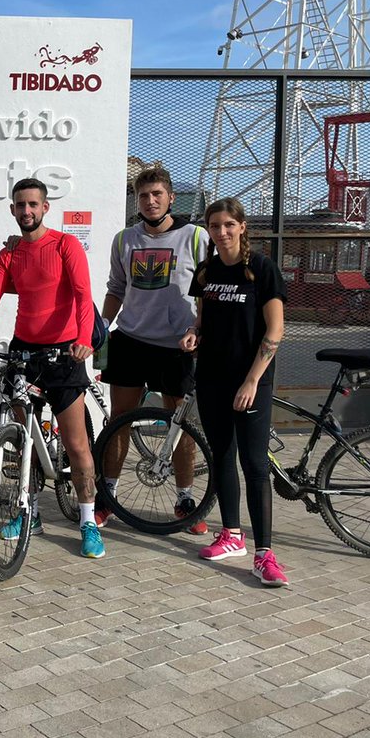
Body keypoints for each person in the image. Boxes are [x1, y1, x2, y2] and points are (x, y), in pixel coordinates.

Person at [0, 177, 105, 559]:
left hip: (65, 354)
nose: (27, 211)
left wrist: (83, 339)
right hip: (24, 354)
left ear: (45, 207)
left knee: (76, 444)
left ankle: (88, 520)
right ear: (13, 209)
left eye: (33, 204)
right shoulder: (10, 254)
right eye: (20, 205)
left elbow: (83, 295)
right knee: (24, 440)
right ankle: (28, 511)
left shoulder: (65, 245)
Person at [181, 197, 288, 587]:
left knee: (255, 465)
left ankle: (265, 555)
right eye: (215, 226)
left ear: (242, 226)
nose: (222, 232)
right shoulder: (207, 271)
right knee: (222, 456)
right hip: (211, 378)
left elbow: (275, 330)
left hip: (250, 382)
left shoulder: (261, 268)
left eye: (229, 225)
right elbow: (203, 318)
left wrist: (252, 380)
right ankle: (231, 536)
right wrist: (193, 333)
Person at [99, 164, 210, 533]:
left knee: (181, 424)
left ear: (171, 197)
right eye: (143, 195)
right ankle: (108, 497)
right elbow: (116, 289)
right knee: (120, 420)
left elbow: (210, 292)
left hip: (176, 347)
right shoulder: (124, 240)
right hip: (130, 342)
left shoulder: (196, 237)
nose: (150, 201)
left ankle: (185, 499)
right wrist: (101, 325)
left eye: (157, 194)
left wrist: (200, 330)